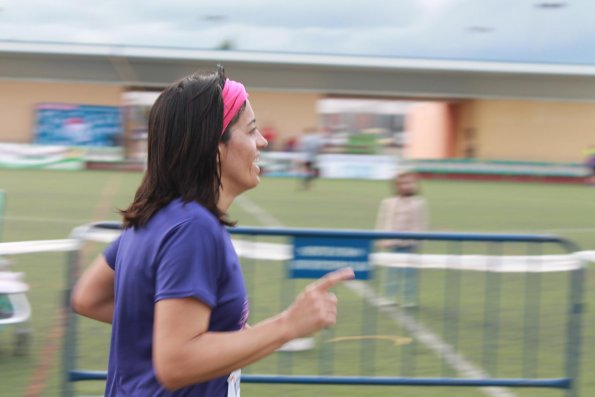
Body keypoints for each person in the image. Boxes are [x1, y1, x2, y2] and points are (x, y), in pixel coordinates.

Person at [70, 66, 354, 397]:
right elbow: (175, 364)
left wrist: (199, 331)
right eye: (250, 131)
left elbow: (87, 298)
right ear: (214, 148)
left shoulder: (154, 215)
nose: (262, 141)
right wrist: (288, 325)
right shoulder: (195, 228)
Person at [375, 170, 428, 307]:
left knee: (410, 273)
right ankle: (389, 296)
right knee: (391, 272)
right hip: (393, 242)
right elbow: (383, 220)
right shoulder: (389, 202)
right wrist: (380, 238)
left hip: (410, 243)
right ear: (396, 185)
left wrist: (419, 239)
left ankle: (409, 298)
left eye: (409, 183)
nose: (405, 186)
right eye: (402, 183)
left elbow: (421, 222)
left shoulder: (418, 203)